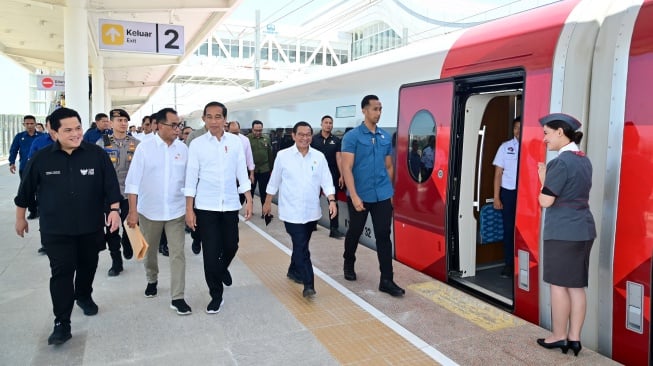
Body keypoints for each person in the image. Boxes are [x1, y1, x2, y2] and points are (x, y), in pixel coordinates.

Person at [14, 107, 122, 346]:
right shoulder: (41, 158)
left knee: (88, 265)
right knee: (61, 273)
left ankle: (83, 294)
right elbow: (25, 191)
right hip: (56, 229)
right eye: (68, 130)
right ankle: (62, 322)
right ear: (53, 132)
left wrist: (114, 211)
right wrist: (20, 218)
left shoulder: (96, 155)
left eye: (78, 128)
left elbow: (111, 186)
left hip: (90, 227)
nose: (75, 134)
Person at [184, 102, 253, 314]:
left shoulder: (235, 143)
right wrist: (189, 209)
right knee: (211, 254)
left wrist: (249, 198)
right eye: (210, 117)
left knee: (232, 246)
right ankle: (216, 294)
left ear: (225, 119)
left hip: (231, 204)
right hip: (206, 206)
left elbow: (241, 171)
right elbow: (190, 177)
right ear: (204, 119)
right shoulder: (197, 144)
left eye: (218, 117)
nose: (214, 121)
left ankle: (221, 270)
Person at [536, 113, 595, 357]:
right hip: (583, 228)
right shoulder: (584, 160)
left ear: (560, 132)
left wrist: (542, 179)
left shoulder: (559, 163)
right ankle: (574, 339)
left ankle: (559, 336)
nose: (544, 140)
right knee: (577, 286)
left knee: (559, 286)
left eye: (547, 134)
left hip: (562, 231)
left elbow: (546, 201)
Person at [125, 107, 191, 315]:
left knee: (178, 254)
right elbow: (133, 182)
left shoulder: (183, 149)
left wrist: (190, 209)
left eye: (179, 125)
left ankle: (178, 297)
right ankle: (151, 278)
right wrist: (132, 212)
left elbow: (189, 182)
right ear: (159, 126)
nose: (177, 129)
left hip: (176, 211)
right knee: (149, 251)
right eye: (173, 125)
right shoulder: (145, 149)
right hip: (149, 212)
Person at [264, 121, 337, 298]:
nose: (305, 138)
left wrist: (332, 200)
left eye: (308, 134)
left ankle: (293, 270)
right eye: (301, 134)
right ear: (294, 136)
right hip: (291, 211)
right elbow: (274, 181)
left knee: (301, 244)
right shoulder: (283, 156)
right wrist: (267, 203)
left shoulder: (318, 157)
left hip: (311, 211)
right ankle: (308, 283)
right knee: (302, 246)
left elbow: (326, 181)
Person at [341, 95, 404, 297]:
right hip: (361, 195)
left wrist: (390, 193)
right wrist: (354, 195)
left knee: (384, 237)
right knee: (355, 232)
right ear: (364, 111)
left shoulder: (385, 137)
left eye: (380, 109)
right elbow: (347, 167)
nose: (378, 113)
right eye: (375, 109)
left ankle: (387, 279)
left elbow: (389, 166)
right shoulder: (352, 137)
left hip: (383, 195)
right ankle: (348, 262)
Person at [96, 109, 140, 276]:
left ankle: (127, 242)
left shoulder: (136, 144)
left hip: (130, 193)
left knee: (130, 223)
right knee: (112, 229)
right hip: (110, 194)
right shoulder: (102, 143)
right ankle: (116, 262)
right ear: (111, 123)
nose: (123, 123)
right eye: (119, 120)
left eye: (125, 120)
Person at [492, 117, 521, 278]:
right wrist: (496, 197)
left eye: (521, 127)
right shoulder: (505, 147)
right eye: (516, 128)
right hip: (509, 193)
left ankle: (522, 263)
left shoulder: (533, 145)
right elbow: (498, 174)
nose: (518, 131)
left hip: (526, 194)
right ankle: (509, 264)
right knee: (509, 229)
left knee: (524, 230)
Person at [310, 115, 344, 239]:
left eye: (330, 123)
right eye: (326, 122)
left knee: (333, 201)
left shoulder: (336, 140)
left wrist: (341, 174)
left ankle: (334, 229)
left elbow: (339, 158)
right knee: (314, 199)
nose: (328, 125)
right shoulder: (314, 140)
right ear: (321, 124)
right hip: (315, 174)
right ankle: (312, 223)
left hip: (331, 174)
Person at [27, 116, 57, 255]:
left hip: (67, 186)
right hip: (45, 187)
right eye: (52, 125)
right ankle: (46, 243)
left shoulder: (72, 142)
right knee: (45, 215)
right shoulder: (39, 142)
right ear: (46, 126)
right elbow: (31, 163)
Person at [9, 114, 42, 219]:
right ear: (24, 124)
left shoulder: (42, 136)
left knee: (41, 190)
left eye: (31, 123)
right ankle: (33, 211)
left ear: (35, 124)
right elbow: (14, 149)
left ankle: (41, 209)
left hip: (40, 168)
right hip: (25, 168)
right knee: (28, 190)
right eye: (27, 123)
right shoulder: (19, 136)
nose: (29, 126)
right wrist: (11, 162)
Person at [249, 120, 274, 218]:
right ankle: (250, 210)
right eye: (256, 130)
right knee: (250, 191)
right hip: (252, 170)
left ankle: (265, 212)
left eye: (260, 130)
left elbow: (269, 154)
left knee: (264, 191)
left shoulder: (266, 138)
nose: (258, 132)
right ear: (252, 129)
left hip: (264, 169)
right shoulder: (248, 139)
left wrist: (271, 168)